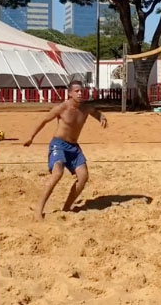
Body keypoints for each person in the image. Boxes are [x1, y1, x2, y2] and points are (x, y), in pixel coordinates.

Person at [23, 80, 108, 220]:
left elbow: (96, 113)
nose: (80, 93)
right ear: (70, 93)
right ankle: (39, 209)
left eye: (82, 91)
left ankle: (67, 207)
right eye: (77, 91)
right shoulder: (62, 108)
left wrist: (101, 118)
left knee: (83, 176)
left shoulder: (86, 108)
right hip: (59, 144)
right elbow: (44, 120)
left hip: (74, 147)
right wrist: (31, 137)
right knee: (57, 173)